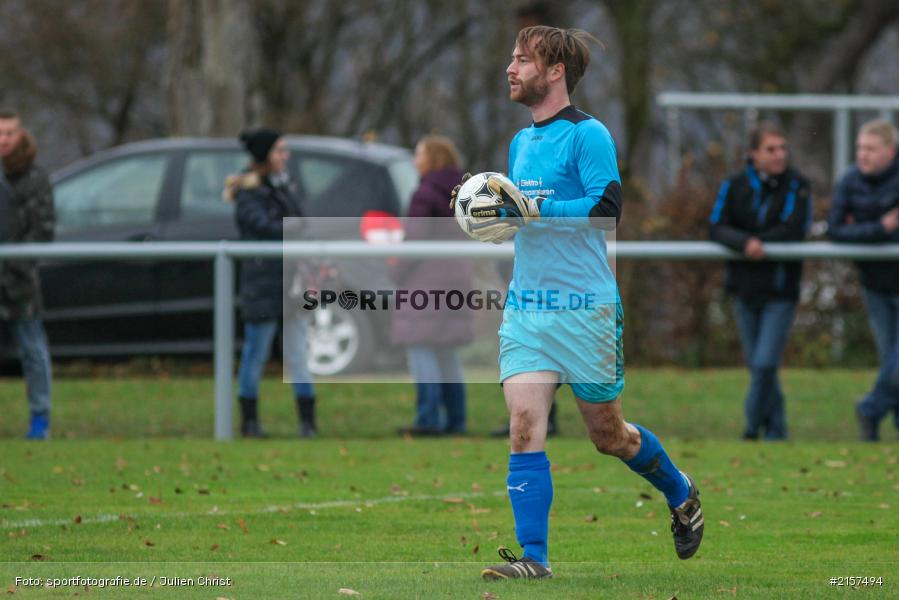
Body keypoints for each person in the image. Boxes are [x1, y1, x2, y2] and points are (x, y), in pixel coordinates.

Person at [451, 26, 704, 580]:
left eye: (523, 60)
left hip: (587, 310)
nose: (511, 69)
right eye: (512, 58)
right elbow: (522, 218)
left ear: (555, 71)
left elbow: (605, 209)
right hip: (529, 308)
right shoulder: (520, 143)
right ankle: (534, 559)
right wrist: (491, 218)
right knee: (524, 425)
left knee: (610, 437)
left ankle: (681, 491)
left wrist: (533, 210)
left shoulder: (588, 135)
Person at [709, 123, 812, 441]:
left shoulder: (798, 185)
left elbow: (795, 227)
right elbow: (717, 226)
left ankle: (751, 427)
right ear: (753, 154)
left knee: (765, 364)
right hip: (744, 287)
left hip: (780, 289)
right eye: (771, 149)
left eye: (783, 148)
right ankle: (777, 430)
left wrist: (759, 242)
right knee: (759, 366)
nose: (779, 154)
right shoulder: (734, 184)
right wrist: (746, 243)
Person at [224, 127, 316, 438]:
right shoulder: (248, 191)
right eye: (279, 150)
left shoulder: (284, 186)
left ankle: (308, 423)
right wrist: (292, 228)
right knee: (256, 354)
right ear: (265, 155)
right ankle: (249, 422)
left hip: (292, 283)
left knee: (298, 353)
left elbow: (301, 224)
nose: (285, 156)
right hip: (263, 284)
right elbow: (264, 227)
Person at [392, 135, 473, 436]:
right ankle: (456, 419)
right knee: (446, 351)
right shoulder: (464, 193)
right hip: (458, 279)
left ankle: (428, 418)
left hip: (425, 281)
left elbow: (414, 241)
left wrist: (397, 271)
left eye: (419, 154)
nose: (415, 161)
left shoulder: (425, 193)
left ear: (432, 158)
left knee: (420, 346)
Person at [828, 119, 899, 441]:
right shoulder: (850, 180)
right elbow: (835, 230)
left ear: (890, 152)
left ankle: (870, 408)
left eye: (870, 148)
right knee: (890, 362)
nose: (862, 155)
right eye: (859, 148)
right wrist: (880, 228)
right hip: (875, 282)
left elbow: (849, 229)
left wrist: (860, 228)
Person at [0, 109, 55, 440]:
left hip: (20, 281)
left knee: (33, 351)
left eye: (9, 133)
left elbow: (43, 230)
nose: (3, 140)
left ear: (21, 135)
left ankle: (40, 419)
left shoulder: (35, 177)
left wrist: (15, 264)